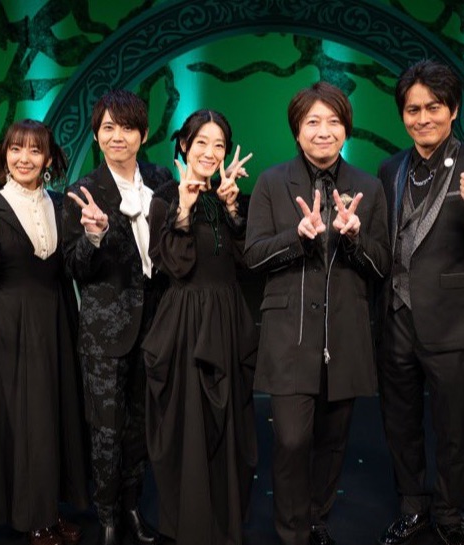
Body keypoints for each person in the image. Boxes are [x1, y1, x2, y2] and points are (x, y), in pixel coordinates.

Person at [244, 81, 391, 545]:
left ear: (346, 129)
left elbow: (381, 266)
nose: (323, 131)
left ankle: (315, 520)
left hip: (345, 334)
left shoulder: (369, 187)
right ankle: (292, 532)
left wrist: (355, 239)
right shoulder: (271, 183)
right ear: (297, 130)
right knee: (291, 440)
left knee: (332, 441)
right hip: (289, 335)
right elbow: (253, 257)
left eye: (333, 121)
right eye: (313, 121)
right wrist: (296, 236)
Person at [375, 59, 464, 545]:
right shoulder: (391, 168)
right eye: (413, 109)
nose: (423, 118)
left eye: (433, 107)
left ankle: (448, 512)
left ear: (453, 110)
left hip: (454, 323)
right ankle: (412, 507)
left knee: (453, 428)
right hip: (396, 318)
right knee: (400, 423)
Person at [0, 119, 88, 545]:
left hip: (56, 318)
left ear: (48, 159)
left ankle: (49, 510)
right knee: (26, 419)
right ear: (4, 154)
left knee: (53, 415)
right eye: (15, 149)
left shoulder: (61, 204)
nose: (24, 158)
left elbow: (71, 266)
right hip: (10, 323)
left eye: (34, 150)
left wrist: (95, 236)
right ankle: (33, 518)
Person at [61, 89, 174, 545]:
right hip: (105, 332)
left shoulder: (161, 179)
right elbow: (73, 266)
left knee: (140, 428)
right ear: (96, 135)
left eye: (127, 127)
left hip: (156, 325)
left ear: (142, 135)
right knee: (106, 430)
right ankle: (107, 517)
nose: (117, 136)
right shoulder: (82, 190)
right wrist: (93, 238)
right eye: (108, 127)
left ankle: (132, 508)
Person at [141, 109, 258, 545]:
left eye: (219, 145)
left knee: (229, 425)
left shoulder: (227, 196)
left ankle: (224, 523)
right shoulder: (164, 200)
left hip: (227, 318)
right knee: (189, 425)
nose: (210, 152)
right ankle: (190, 524)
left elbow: (246, 260)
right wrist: (185, 210)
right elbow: (175, 266)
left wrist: (232, 208)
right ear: (184, 146)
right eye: (202, 143)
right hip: (187, 324)